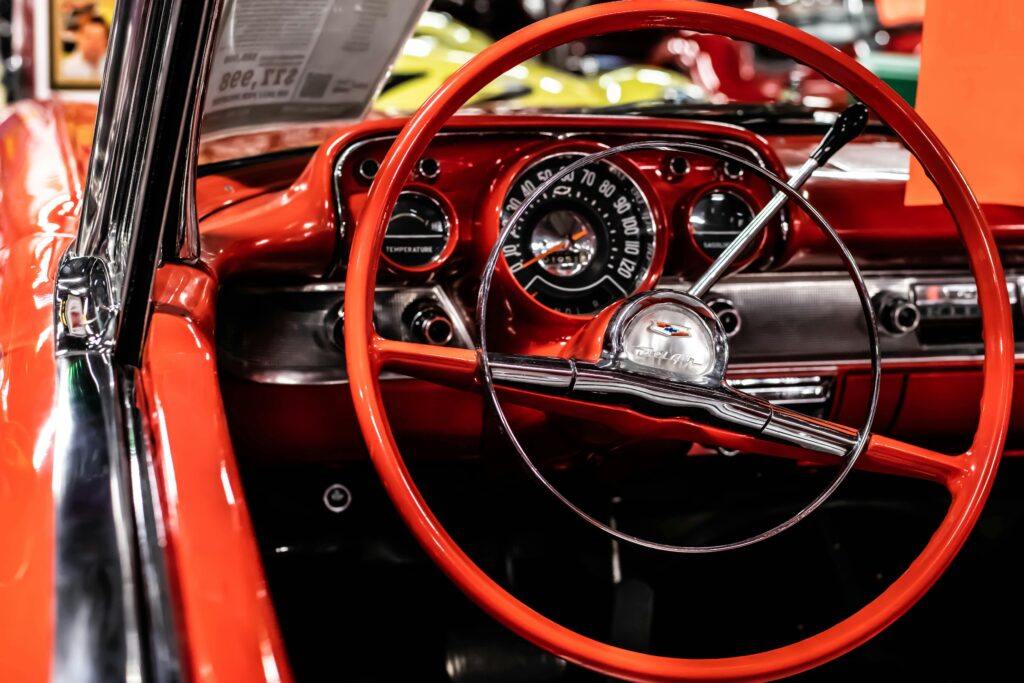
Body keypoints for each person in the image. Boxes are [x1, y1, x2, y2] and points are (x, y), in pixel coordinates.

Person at [61, 16, 109, 82]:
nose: (94, 43)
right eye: (89, 37)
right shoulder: (65, 68)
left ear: (107, 41)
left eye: (99, 38)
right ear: (80, 38)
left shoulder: (113, 67)